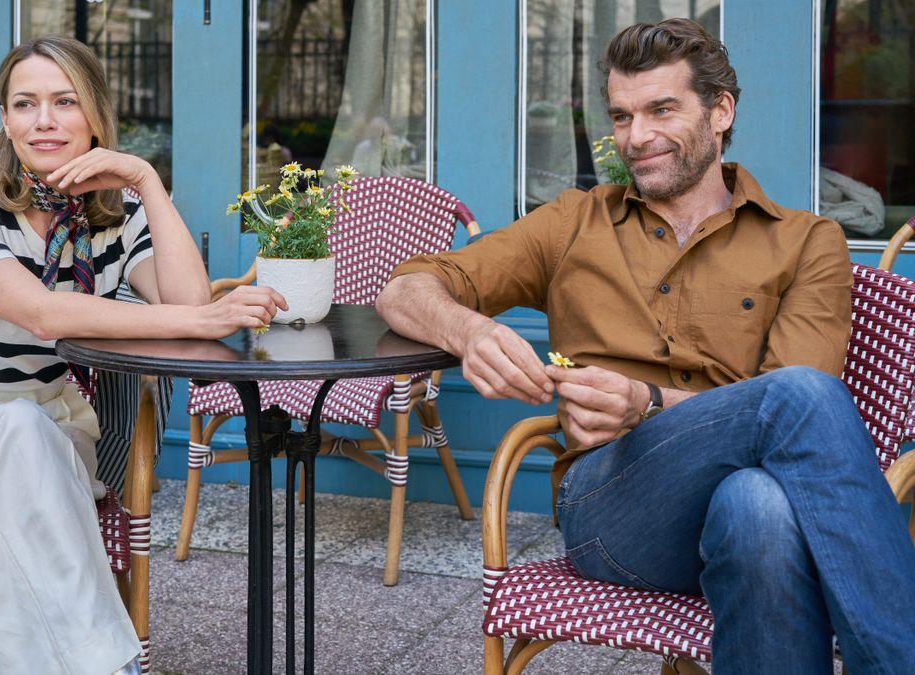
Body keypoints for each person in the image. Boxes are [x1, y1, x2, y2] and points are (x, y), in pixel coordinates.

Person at [376, 18, 915, 673]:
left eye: (661, 109)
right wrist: (473, 330)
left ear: (721, 112)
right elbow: (404, 288)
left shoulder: (806, 242)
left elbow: (795, 413)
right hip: (611, 507)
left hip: (743, 499)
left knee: (760, 506)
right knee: (794, 407)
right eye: (622, 115)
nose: (636, 136)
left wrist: (647, 400)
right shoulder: (576, 221)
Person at [0, 36, 285, 675]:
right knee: (13, 427)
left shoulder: (117, 218)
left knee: (13, 455)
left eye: (65, 102)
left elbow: (187, 302)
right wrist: (197, 317)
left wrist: (146, 180)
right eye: (25, 103)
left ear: (95, 115)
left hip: (54, 443)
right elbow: (39, 312)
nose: (44, 120)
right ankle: (105, 664)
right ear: (5, 120)